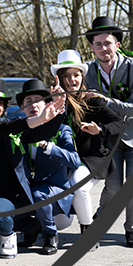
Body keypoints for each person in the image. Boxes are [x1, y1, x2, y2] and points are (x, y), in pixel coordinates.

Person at [0, 79, 65, 259]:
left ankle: (16, 231)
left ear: (5, 108)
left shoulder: (12, 128)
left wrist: (58, 108)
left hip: (5, 197)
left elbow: (43, 132)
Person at [84, 16, 133, 247]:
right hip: (108, 136)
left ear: (117, 45)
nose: (103, 48)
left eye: (108, 43)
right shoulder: (86, 70)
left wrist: (105, 101)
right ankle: (99, 222)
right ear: (93, 47)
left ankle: (131, 228)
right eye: (98, 44)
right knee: (113, 187)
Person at [51, 50, 125, 251]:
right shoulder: (54, 102)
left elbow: (118, 124)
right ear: (60, 79)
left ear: (82, 77)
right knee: (61, 221)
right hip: (61, 161)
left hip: (90, 158)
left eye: (76, 75)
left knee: (79, 186)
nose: (72, 80)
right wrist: (55, 104)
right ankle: (40, 228)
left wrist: (99, 130)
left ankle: (88, 233)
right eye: (67, 76)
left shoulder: (92, 100)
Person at [19, 86, 82, 255]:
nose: (33, 105)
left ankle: (50, 235)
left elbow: (75, 161)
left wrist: (48, 147)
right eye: (28, 101)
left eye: (38, 100)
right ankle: (31, 228)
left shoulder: (61, 130)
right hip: (28, 189)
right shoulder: (18, 132)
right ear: (22, 108)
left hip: (55, 191)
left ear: (47, 105)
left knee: (39, 195)